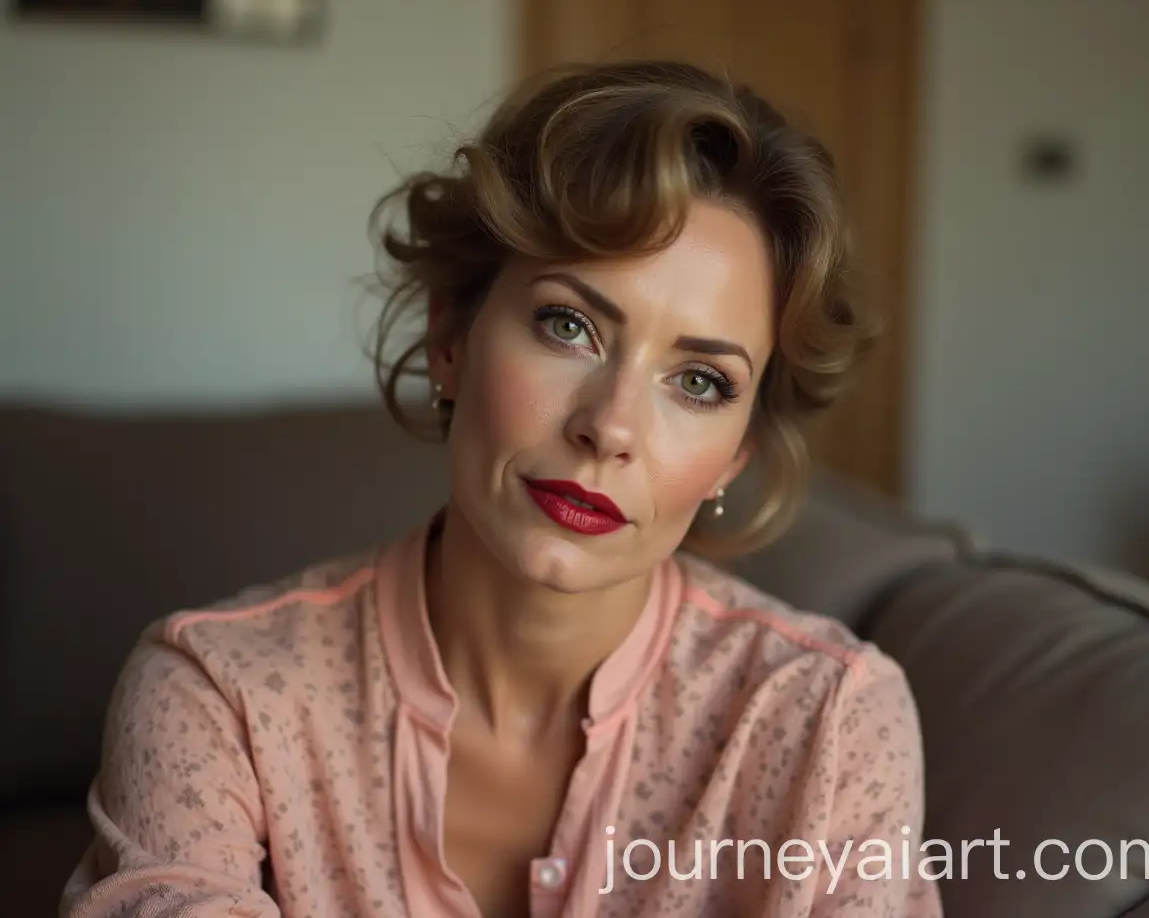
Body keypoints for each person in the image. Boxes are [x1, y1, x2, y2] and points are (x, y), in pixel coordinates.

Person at [61, 60, 943, 917]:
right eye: (570, 326)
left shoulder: (828, 721)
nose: (611, 426)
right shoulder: (216, 696)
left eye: (700, 382)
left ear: (736, 456)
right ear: (452, 336)